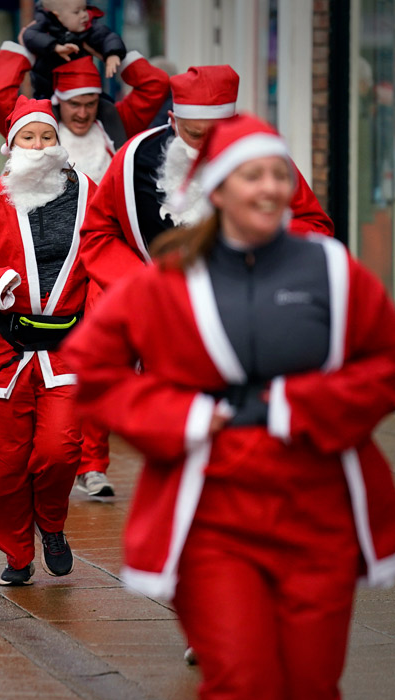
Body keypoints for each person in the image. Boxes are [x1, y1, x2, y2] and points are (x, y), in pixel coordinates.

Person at [64, 113, 395, 700]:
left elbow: (385, 362)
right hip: (213, 514)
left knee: (313, 684)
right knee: (243, 680)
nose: (270, 187)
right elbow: (94, 367)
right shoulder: (166, 278)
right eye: (252, 176)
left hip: (318, 513)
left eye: (278, 174)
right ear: (215, 189)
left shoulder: (332, 269)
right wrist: (182, 416)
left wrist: (305, 404)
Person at [71, 64, 335, 500]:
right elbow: (99, 234)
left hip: (248, 324)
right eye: (195, 134)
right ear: (173, 122)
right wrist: (144, 285)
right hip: (169, 325)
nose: (208, 147)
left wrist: (262, 253)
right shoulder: (133, 159)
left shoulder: (265, 163)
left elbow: (314, 224)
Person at [0, 97, 95, 586]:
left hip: (68, 349)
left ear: (58, 142)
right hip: (2, 351)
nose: (37, 146)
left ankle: (51, 524)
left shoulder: (91, 195)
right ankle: (15, 549)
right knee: (4, 465)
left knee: (59, 451)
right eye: (27, 138)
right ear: (11, 146)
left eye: (45, 137)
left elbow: (108, 261)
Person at [0, 41, 168, 183]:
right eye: (74, 104)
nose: (83, 114)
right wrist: (32, 48)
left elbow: (156, 84)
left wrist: (111, 50)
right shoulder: (35, 128)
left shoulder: (116, 123)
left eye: (91, 104)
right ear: (59, 100)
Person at [20, 0, 126, 100]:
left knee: (107, 106)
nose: (84, 15)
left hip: (82, 88)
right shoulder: (44, 25)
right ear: (57, 15)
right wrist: (55, 47)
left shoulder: (89, 27)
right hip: (47, 90)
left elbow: (107, 37)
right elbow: (30, 36)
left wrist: (113, 54)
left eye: (85, 9)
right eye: (77, 12)